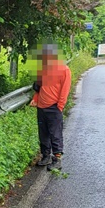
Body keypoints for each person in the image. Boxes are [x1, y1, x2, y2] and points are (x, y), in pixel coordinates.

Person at [30, 43, 71, 171]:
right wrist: (35, 100)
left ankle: (57, 159)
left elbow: (65, 90)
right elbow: (38, 88)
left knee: (55, 134)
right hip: (41, 108)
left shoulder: (64, 70)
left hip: (54, 107)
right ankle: (45, 156)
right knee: (43, 134)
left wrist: (60, 106)